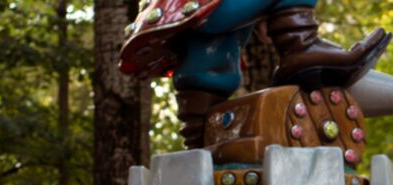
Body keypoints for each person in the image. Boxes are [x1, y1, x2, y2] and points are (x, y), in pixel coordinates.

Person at [119, 0, 391, 146]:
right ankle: (301, 46)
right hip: (199, 7)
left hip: (191, 12)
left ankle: (200, 138)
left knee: (210, 61)